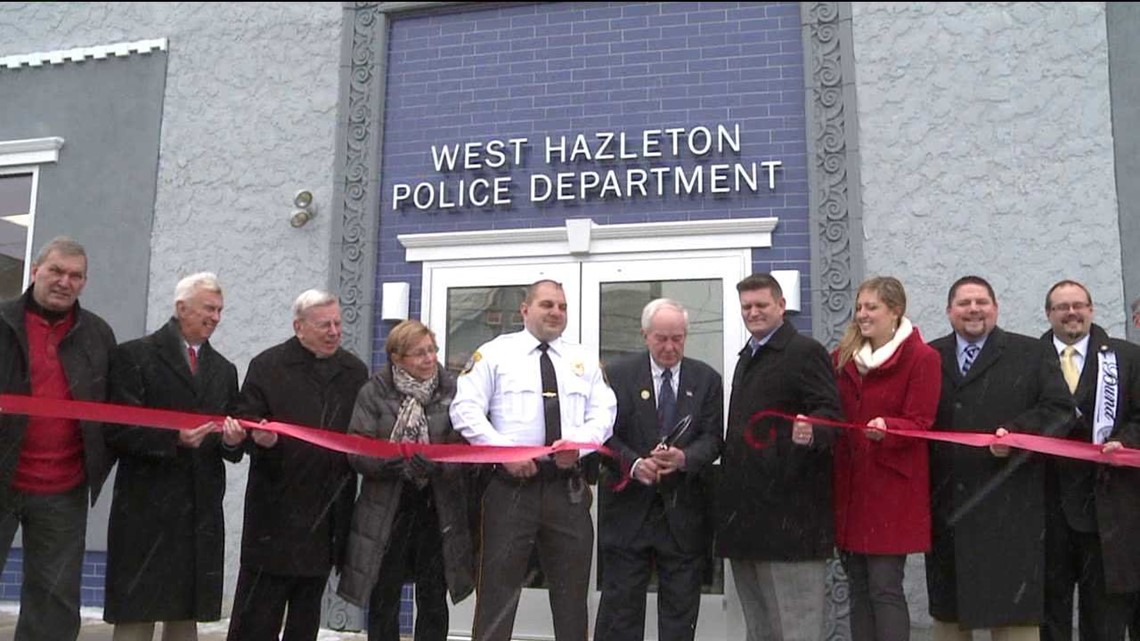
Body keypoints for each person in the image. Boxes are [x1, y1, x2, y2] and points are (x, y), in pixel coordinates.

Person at [449, 279, 616, 641]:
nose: (556, 312)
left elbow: (604, 412)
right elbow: (465, 410)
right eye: (547, 305)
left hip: (566, 489)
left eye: (562, 306)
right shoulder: (494, 354)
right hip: (511, 490)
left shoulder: (583, 360)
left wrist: (581, 446)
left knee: (572, 594)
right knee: (498, 590)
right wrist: (503, 451)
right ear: (525, 310)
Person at [926, 275, 1072, 641]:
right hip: (949, 508)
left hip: (1010, 508)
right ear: (948, 312)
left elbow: (1060, 411)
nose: (973, 309)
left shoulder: (1031, 353)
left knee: (1014, 621)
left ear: (996, 308)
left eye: (981, 302)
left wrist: (1018, 431)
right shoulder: (929, 356)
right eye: (963, 303)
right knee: (948, 620)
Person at [103, 272, 247, 641]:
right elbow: (117, 430)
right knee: (137, 615)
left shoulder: (224, 369)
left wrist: (233, 440)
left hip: (198, 510)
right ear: (181, 308)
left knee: (185, 617)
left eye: (219, 310)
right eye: (208, 309)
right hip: (145, 507)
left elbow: (231, 445)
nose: (215, 317)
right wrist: (172, 439)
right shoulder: (134, 356)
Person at [227, 289, 369, 641]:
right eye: (324, 325)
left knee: (305, 624)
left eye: (337, 323)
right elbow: (243, 423)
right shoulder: (268, 366)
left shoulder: (353, 371)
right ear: (299, 327)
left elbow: (362, 432)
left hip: (327, 517)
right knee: (256, 622)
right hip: (274, 517)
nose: (334, 331)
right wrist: (260, 440)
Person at [0, 236, 117, 641]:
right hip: (1, 479)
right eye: (55, 271)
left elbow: (118, 407)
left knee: (54, 603)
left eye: (75, 275)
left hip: (62, 489)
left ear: (84, 283)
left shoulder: (98, 335)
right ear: (35, 272)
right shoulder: (1, 322)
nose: (64, 281)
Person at [714, 273, 842, 641]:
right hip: (746, 519)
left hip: (792, 520)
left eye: (761, 305)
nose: (753, 312)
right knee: (760, 629)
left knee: (796, 628)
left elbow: (832, 418)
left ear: (781, 306)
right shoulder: (746, 358)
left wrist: (812, 430)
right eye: (746, 307)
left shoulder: (805, 352)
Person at [594, 299, 724, 641]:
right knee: (620, 614)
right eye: (661, 339)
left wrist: (684, 458)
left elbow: (713, 438)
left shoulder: (706, 378)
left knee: (680, 616)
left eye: (677, 338)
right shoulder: (618, 375)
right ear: (645, 335)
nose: (670, 347)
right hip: (628, 512)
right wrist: (634, 464)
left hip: (682, 514)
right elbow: (603, 434)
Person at [338, 319, 474, 641]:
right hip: (387, 508)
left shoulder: (452, 390)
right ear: (397, 359)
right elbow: (355, 449)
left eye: (432, 350)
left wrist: (438, 465)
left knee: (433, 596)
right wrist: (389, 463)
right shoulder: (373, 392)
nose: (429, 359)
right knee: (384, 594)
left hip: (437, 508)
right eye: (419, 354)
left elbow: (465, 447)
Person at [831, 277, 941, 641]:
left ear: (895, 311)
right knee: (858, 587)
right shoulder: (843, 357)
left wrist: (889, 427)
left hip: (891, 491)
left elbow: (921, 420)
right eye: (859, 307)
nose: (862, 314)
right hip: (851, 487)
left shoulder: (922, 358)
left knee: (884, 587)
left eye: (872, 307)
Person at [1038, 280, 1140, 641]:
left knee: (1104, 615)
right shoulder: (1027, 359)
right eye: (1062, 307)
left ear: (1092, 310)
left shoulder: (1126, 358)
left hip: (1107, 509)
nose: (1072, 313)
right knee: (1050, 612)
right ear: (1049, 313)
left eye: (1079, 305)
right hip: (1046, 509)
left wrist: (1122, 441)